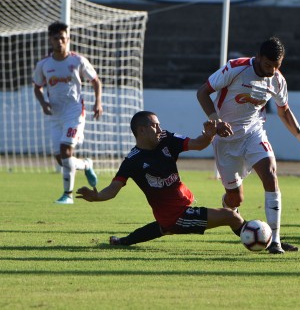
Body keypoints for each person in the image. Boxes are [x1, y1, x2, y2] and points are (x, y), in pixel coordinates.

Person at [196, 36, 300, 254]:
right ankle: (228, 204)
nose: (272, 70)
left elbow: (284, 111)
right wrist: (216, 120)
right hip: (226, 140)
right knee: (235, 198)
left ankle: (276, 241)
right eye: (268, 65)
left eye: (277, 66)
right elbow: (203, 92)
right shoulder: (236, 68)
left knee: (270, 174)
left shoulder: (278, 80)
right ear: (258, 57)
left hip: (254, 133)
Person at [76, 111, 246, 246]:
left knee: (163, 227)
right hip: (177, 216)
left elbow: (198, 144)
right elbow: (113, 190)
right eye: (155, 126)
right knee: (232, 216)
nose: (159, 129)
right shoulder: (132, 161)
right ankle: (261, 239)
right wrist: (97, 197)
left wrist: (209, 136)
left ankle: (123, 241)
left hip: (174, 213)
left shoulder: (166, 139)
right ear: (142, 130)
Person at [33, 21, 102, 205]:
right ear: (50, 40)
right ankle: (86, 164)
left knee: (65, 150)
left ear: (68, 39)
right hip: (55, 114)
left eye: (62, 38)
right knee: (62, 159)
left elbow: (96, 81)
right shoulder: (44, 65)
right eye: (56, 38)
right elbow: (37, 87)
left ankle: (67, 195)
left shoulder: (77, 61)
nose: (59, 42)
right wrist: (43, 103)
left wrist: (98, 103)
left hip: (74, 112)